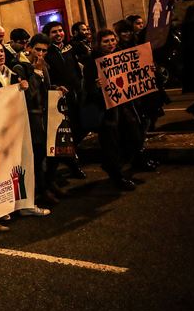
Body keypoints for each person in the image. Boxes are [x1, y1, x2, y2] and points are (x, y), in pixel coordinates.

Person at [83, 29, 140, 190]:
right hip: (105, 110)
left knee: (133, 134)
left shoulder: (121, 55)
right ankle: (117, 175)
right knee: (111, 143)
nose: (110, 44)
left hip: (122, 105)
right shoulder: (92, 61)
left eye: (112, 40)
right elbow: (87, 87)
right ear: (99, 43)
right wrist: (95, 86)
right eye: (106, 41)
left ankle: (114, 165)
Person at [12, 34, 57, 214]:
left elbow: (47, 89)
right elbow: (28, 95)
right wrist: (37, 74)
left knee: (47, 155)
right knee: (36, 158)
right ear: (29, 48)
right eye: (37, 49)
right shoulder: (19, 67)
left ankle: (47, 186)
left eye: (44, 51)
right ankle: (40, 192)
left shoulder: (43, 66)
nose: (40, 53)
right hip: (31, 120)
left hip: (45, 118)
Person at [43, 21, 87, 180]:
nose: (58, 34)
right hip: (59, 99)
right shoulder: (46, 54)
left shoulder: (70, 48)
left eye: (60, 31)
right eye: (54, 32)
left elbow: (77, 69)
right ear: (48, 35)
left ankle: (71, 159)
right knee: (66, 133)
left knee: (80, 127)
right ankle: (73, 164)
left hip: (75, 95)